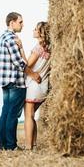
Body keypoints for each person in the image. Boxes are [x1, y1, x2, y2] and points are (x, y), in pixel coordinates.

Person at [0, 12, 41, 151]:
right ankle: (11, 146)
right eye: (20, 22)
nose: (22, 24)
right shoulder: (12, 39)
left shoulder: (0, 38)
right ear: (12, 22)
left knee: (5, 112)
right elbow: (19, 62)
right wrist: (33, 75)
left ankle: (2, 144)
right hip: (15, 81)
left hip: (4, 81)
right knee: (13, 114)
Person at [16, 22, 51, 150]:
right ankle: (34, 144)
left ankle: (28, 147)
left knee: (28, 116)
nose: (33, 30)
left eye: (36, 29)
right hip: (43, 86)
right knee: (31, 116)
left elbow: (26, 65)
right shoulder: (50, 47)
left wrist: (21, 49)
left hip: (33, 86)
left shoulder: (39, 47)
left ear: (41, 33)